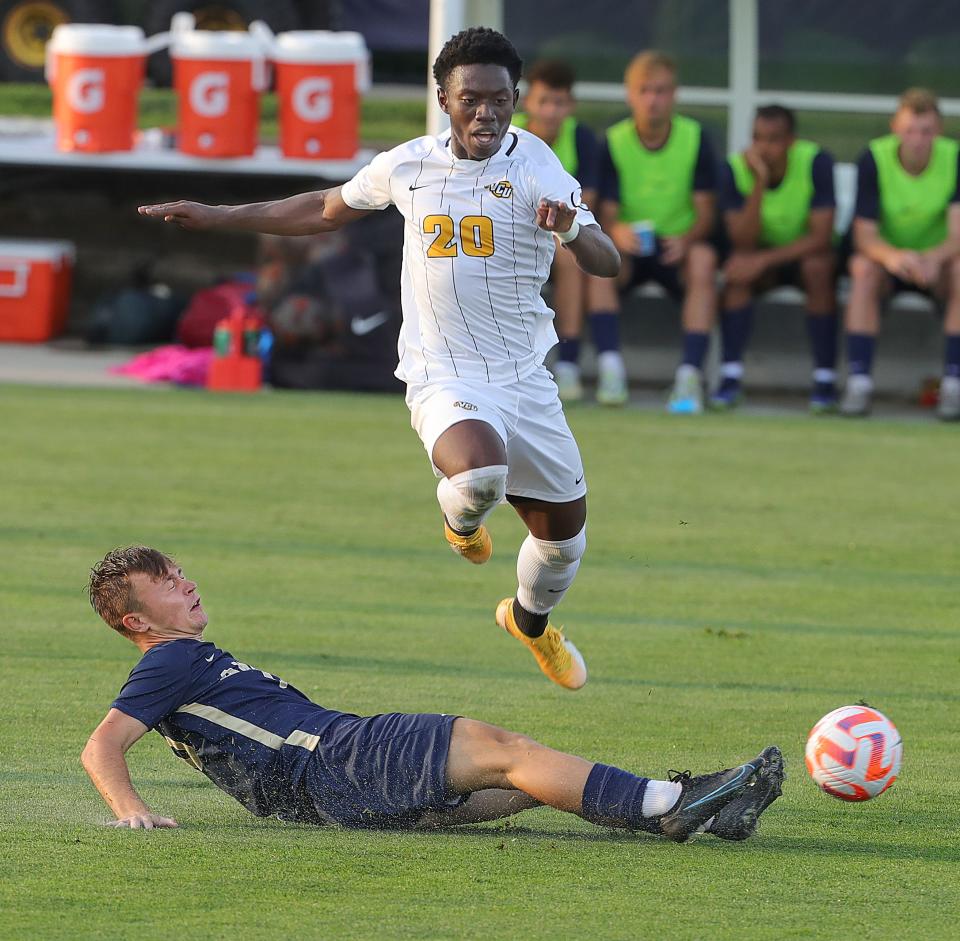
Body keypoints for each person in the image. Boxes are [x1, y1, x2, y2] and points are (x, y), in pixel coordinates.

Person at [140, 28, 622, 691]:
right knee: (480, 474)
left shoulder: (536, 165)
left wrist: (569, 227)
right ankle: (463, 521)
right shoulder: (409, 165)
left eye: (500, 100)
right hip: (442, 373)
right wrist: (219, 214)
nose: (487, 113)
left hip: (524, 378)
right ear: (445, 100)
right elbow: (322, 208)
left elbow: (607, 257)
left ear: (516, 100)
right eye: (471, 99)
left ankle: (530, 622)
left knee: (564, 544)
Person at [81, 546, 785, 842]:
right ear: (136, 620)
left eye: (177, 568)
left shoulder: (186, 658)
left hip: (324, 788)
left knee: (532, 776)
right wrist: (132, 810)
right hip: (334, 759)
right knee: (499, 746)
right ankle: (673, 802)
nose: (186, 579)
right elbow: (102, 745)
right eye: (166, 581)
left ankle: (696, 811)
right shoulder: (167, 660)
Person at [595, 50, 719, 414]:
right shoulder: (614, 140)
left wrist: (689, 239)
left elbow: (707, 213)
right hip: (631, 249)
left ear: (675, 95)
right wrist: (617, 230)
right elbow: (607, 212)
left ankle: (689, 379)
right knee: (596, 257)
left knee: (704, 260)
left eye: (661, 91)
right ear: (630, 94)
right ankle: (610, 370)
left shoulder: (695, 138)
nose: (653, 100)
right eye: (645, 90)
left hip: (677, 247)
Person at [840, 87, 960, 420]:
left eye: (926, 131)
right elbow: (864, 235)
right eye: (910, 130)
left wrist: (933, 259)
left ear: (939, 131)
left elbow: (958, 233)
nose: (918, 139)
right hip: (890, 261)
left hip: (939, 263)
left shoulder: (955, 157)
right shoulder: (874, 158)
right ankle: (859, 382)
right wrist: (895, 258)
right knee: (861, 269)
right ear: (895, 127)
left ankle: (953, 383)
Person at [514, 60, 625, 405]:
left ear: (570, 105)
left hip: (559, 235)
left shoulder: (580, 138)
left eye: (559, 102)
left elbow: (585, 201)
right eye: (544, 101)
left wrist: (559, 225)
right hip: (514, 237)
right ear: (528, 102)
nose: (551, 111)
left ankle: (573, 364)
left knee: (575, 254)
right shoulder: (511, 135)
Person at [716, 105, 838, 412]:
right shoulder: (735, 168)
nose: (763, 147)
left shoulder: (816, 161)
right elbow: (741, 239)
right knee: (737, 272)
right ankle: (730, 377)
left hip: (803, 255)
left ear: (791, 142)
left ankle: (825, 380)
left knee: (818, 269)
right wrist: (759, 182)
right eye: (757, 138)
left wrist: (763, 260)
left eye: (773, 139)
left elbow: (821, 237)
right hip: (760, 255)